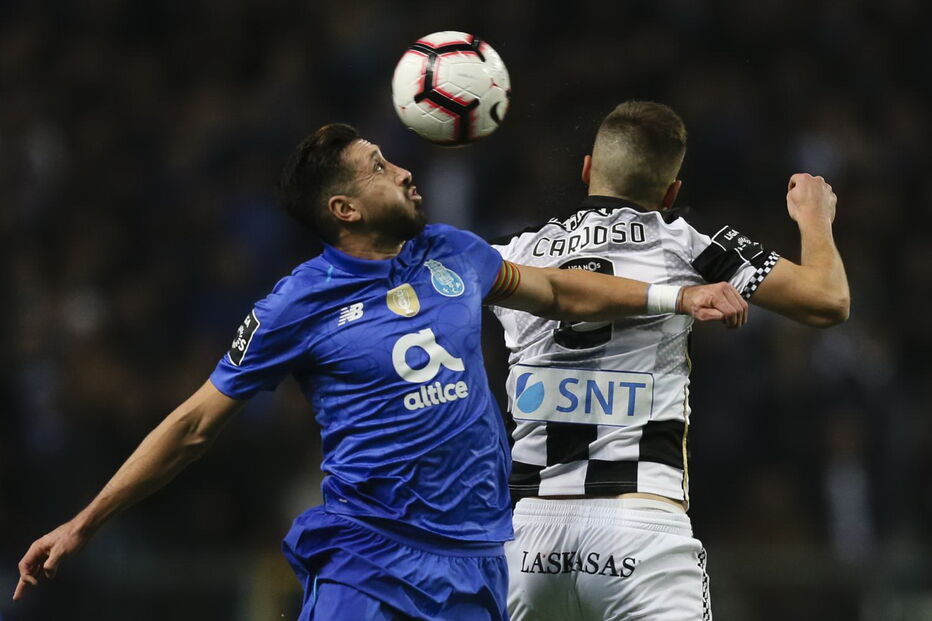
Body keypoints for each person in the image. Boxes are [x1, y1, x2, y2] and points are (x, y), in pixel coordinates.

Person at [14, 123, 749, 620]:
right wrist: (85, 522)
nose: (401, 168)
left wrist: (674, 294)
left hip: (478, 564)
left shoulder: (453, 252)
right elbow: (194, 422)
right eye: (377, 168)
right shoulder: (296, 302)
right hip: (371, 560)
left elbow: (556, 289)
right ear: (344, 208)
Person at [491, 101, 849, 621]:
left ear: (587, 168)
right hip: (640, 528)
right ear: (672, 193)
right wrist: (815, 219)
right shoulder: (691, 244)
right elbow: (828, 300)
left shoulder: (515, 255)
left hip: (523, 540)